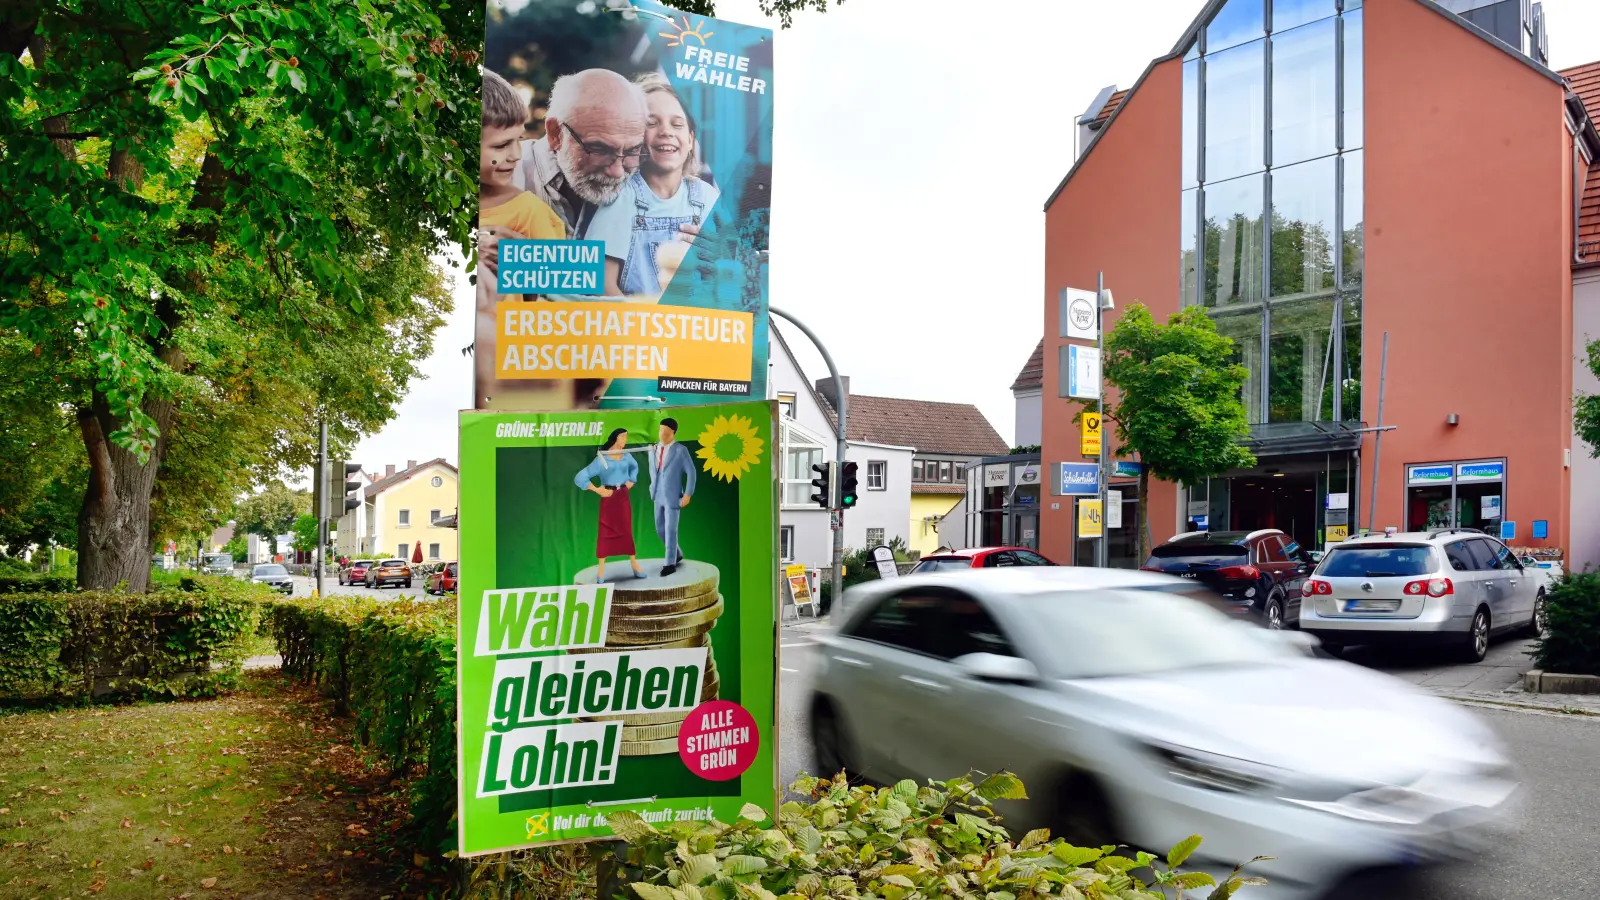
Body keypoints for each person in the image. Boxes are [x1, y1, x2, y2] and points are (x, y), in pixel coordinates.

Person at [588, 74, 720, 297]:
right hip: (636, 326)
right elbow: (602, 282)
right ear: (634, 137)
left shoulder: (708, 198)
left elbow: (725, 271)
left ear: (690, 139)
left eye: (677, 124)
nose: (666, 131)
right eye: (651, 123)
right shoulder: (622, 196)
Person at [513, 69, 648, 245]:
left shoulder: (647, 191)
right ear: (555, 133)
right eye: (599, 149)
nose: (617, 172)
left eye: (632, 151)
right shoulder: (501, 177)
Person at [574, 428, 645, 583]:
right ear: (615, 439)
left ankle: (634, 564)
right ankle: (601, 571)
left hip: (623, 496)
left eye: (626, 437)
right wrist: (597, 489)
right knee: (605, 531)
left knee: (626, 529)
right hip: (608, 498)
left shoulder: (627, 456)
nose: (625, 440)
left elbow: (635, 467)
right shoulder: (602, 460)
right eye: (623, 437)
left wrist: (632, 480)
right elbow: (580, 477)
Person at [646, 418, 696, 576]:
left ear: (673, 433)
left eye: (666, 433)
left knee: (670, 529)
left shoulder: (681, 450)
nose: (662, 435)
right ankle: (677, 553)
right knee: (659, 528)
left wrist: (688, 494)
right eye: (661, 431)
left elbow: (691, 472)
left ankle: (669, 563)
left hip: (673, 495)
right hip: (657, 494)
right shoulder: (653, 449)